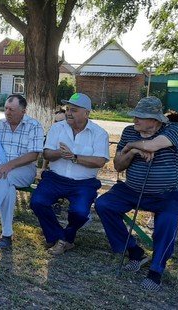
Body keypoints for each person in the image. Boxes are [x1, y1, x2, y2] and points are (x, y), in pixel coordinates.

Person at [94, 96, 178, 292]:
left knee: (167, 222)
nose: (135, 120)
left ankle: (156, 270)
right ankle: (134, 251)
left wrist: (132, 145)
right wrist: (132, 150)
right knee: (104, 205)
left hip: (167, 193)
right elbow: (118, 165)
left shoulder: (173, 130)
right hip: (132, 189)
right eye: (135, 115)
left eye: (140, 117)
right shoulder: (129, 132)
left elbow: (152, 146)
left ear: (156, 120)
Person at [29, 93, 109, 255]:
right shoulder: (57, 128)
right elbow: (47, 154)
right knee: (37, 201)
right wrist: (60, 153)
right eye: (67, 109)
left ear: (86, 113)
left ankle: (62, 238)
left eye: (74, 110)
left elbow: (100, 161)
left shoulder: (99, 133)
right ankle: (61, 238)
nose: (68, 113)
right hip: (55, 178)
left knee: (80, 213)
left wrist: (75, 157)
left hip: (83, 183)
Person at [0, 94, 44, 250]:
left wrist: (9, 165)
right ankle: (7, 235)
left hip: (25, 170)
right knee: (7, 186)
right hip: (0, 171)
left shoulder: (34, 126)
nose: (7, 112)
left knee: (5, 176)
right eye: (6, 108)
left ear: (23, 111)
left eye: (11, 109)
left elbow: (34, 154)